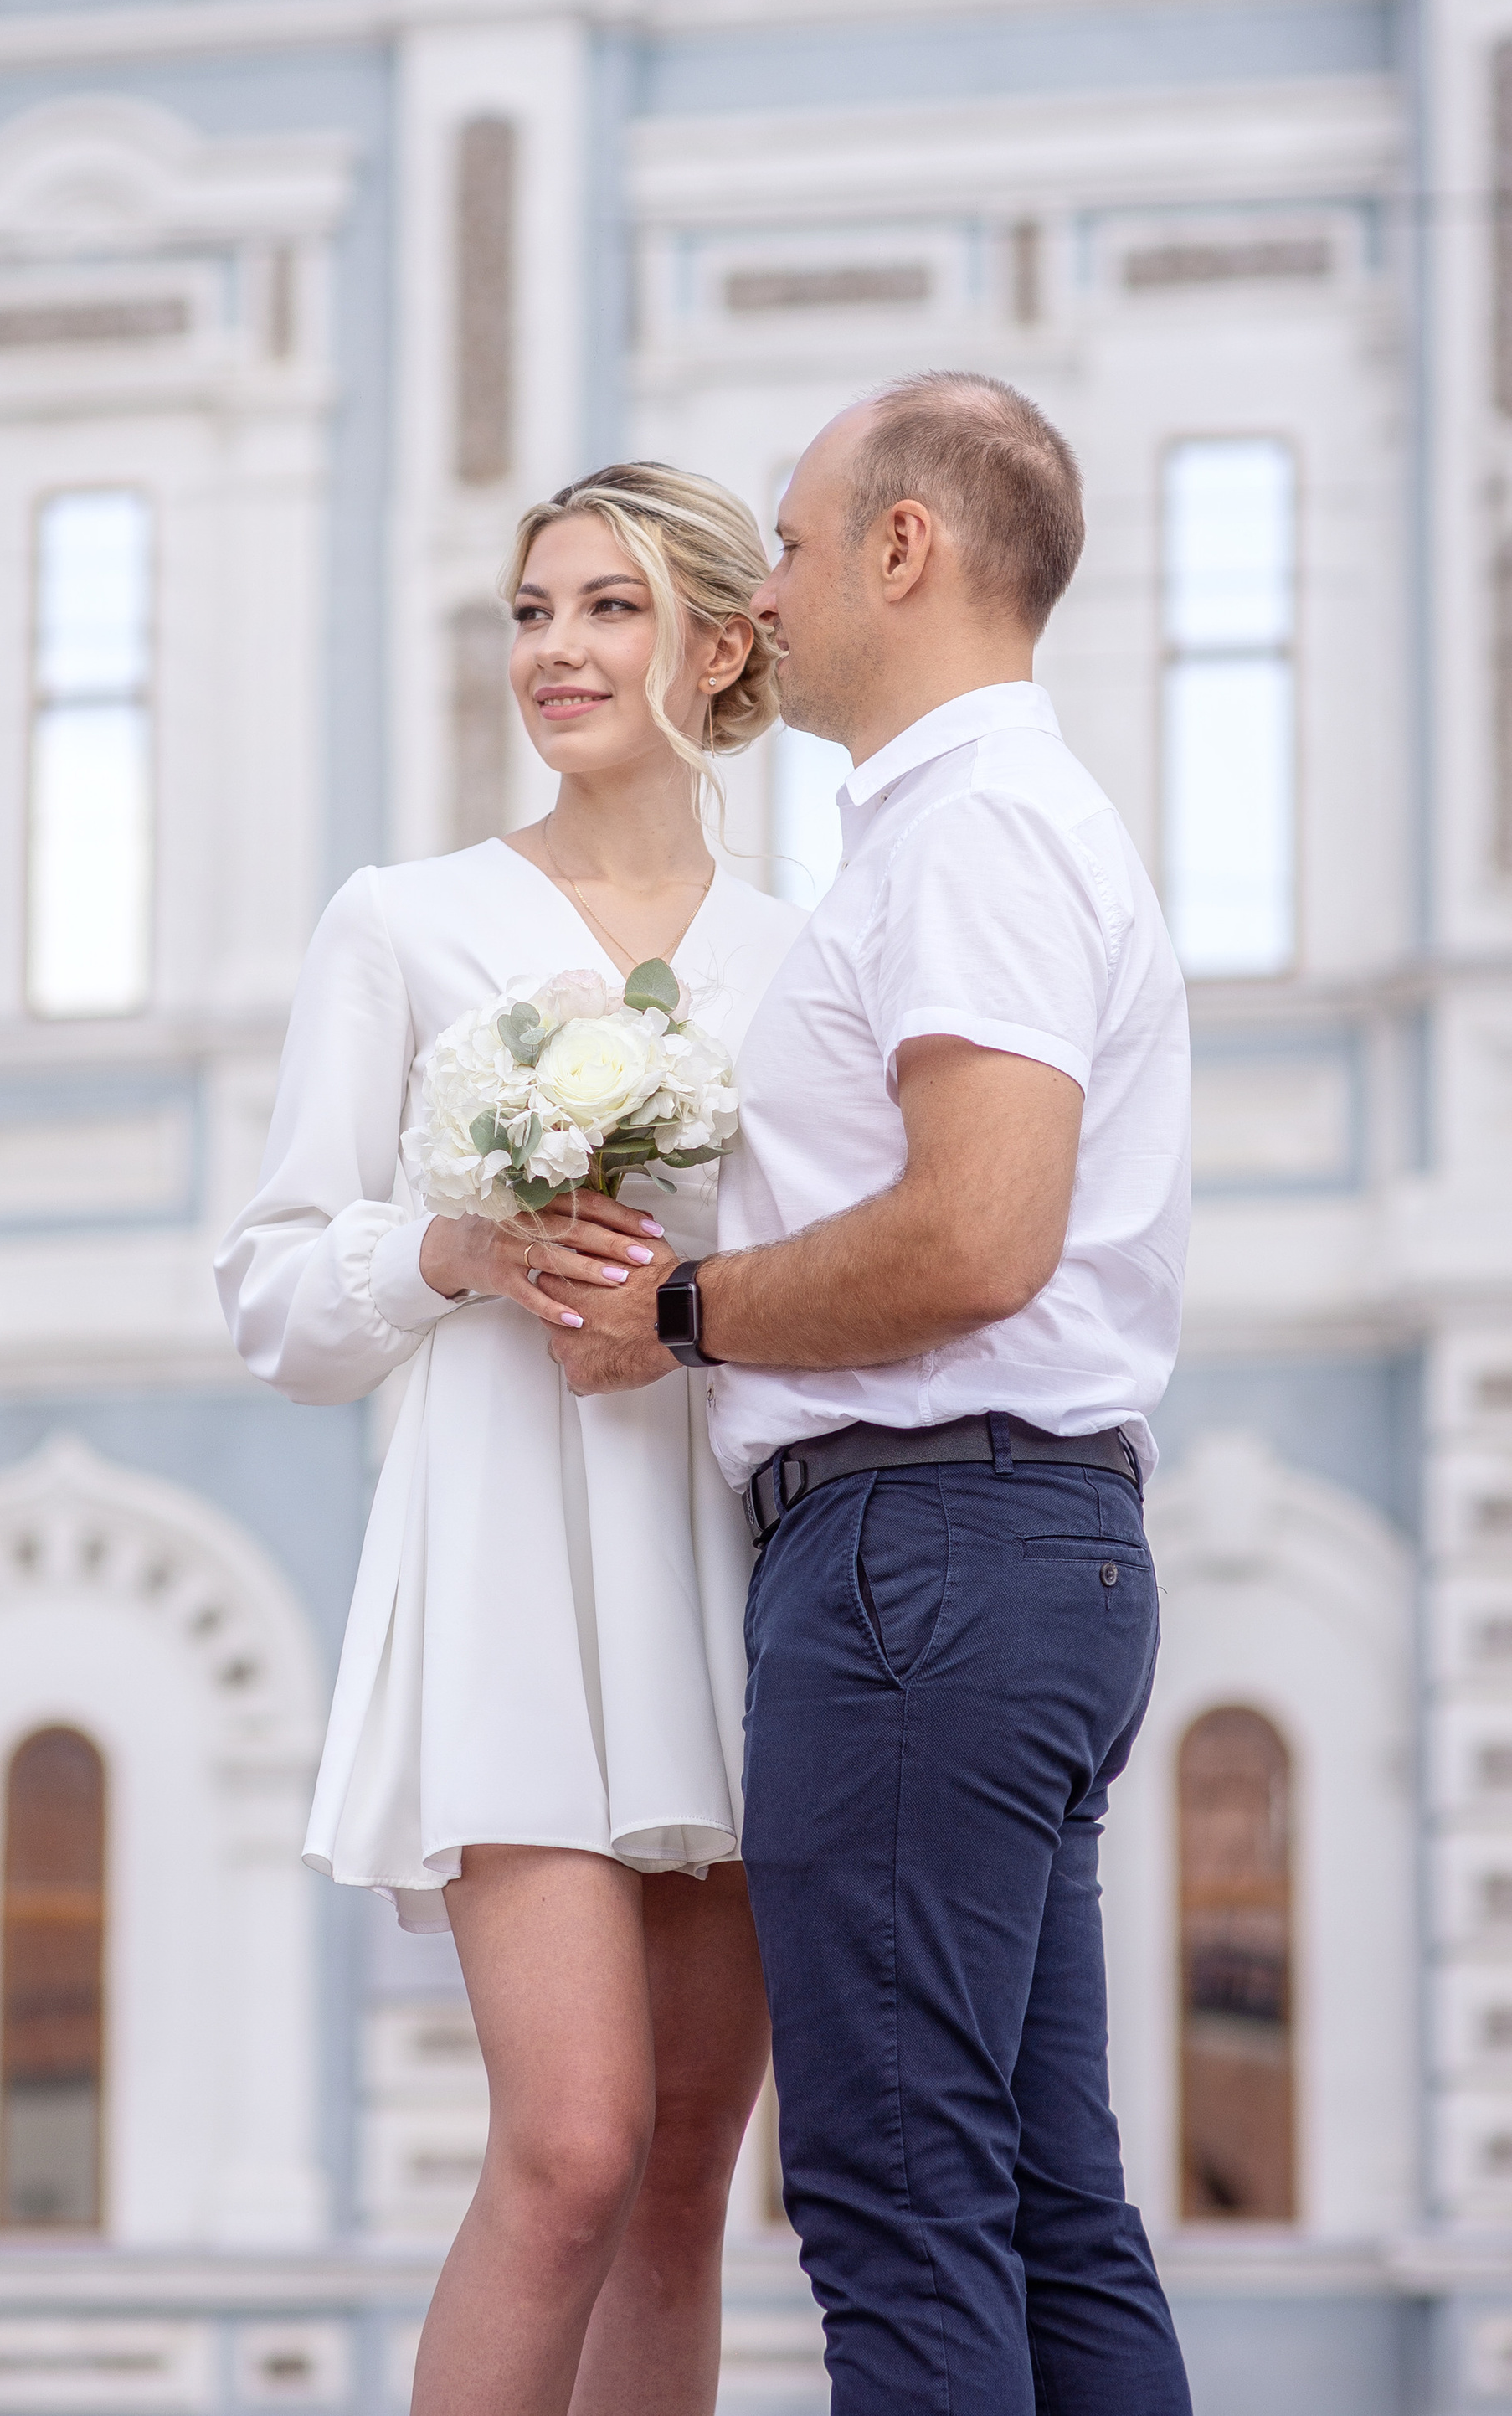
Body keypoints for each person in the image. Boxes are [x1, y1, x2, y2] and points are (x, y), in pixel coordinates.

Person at [553, 375, 1195, 2416]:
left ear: (903, 553)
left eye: (797, 541)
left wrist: (677, 1309)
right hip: (1015, 1554)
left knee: (902, 2199)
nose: (771, 583)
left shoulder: (974, 830)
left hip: (922, 1557)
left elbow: (976, 1233)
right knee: (1035, 2197)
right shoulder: (980, 823)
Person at [217, 463, 805, 2416]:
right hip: (506, 1585)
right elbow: (278, 1299)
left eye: (606, 608)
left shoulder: (808, 962)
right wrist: (460, 1247)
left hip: (728, 1583)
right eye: (530, 610)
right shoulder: (403, 922)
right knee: (566, 2151)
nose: (553, 649)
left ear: (719, 646)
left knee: (675, 2187)